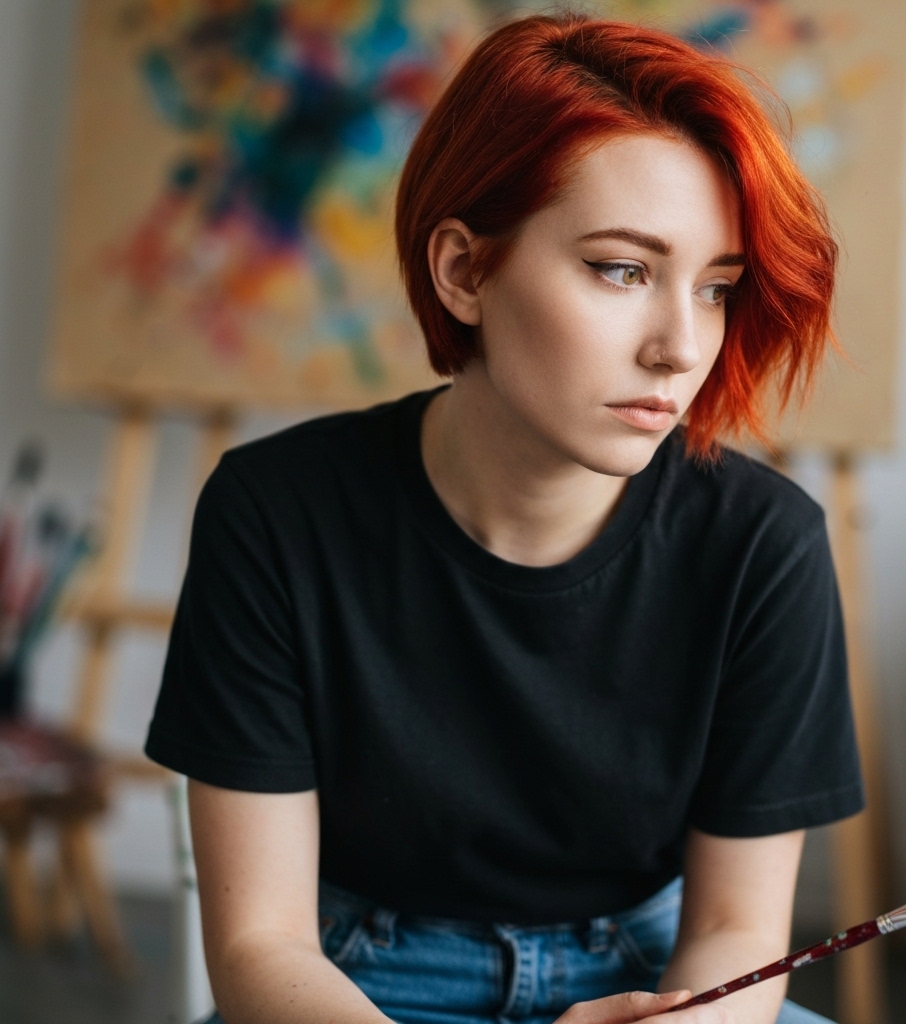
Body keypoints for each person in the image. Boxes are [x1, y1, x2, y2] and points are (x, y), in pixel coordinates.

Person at [145, 13, 863, 1024]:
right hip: (352, 980)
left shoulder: (762, 545)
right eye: (622, 269)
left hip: (650, 975)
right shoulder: (275, 513)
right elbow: (259, 944)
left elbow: (736, 932)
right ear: (463, 271)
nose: (679, 347)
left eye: (716, 289)